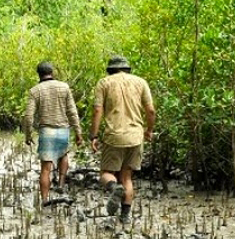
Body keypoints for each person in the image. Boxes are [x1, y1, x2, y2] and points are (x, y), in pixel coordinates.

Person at [90, 56, 155, 221]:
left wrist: (94, 135)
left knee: (106, 173)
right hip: (135, 136)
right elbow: (151, 111)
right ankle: (125, 216)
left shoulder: (104, 83)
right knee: (127, 176)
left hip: (114, 136)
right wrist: (149, 130)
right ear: (127, 69)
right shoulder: (141, 82)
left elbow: (97, 111)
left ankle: (113, 188)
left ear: (110, 69)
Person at [23, 61, 83, 202]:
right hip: (63, 130)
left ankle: (44, 199)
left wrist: (28, 134)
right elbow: (72, 112)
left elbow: (28, 116)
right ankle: (61, 183)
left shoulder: (35, 90)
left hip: (46, 131)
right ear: (52, 72)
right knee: (64, 155)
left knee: (45, 168)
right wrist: (79, 133)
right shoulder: (64, 87)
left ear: (39, 74)